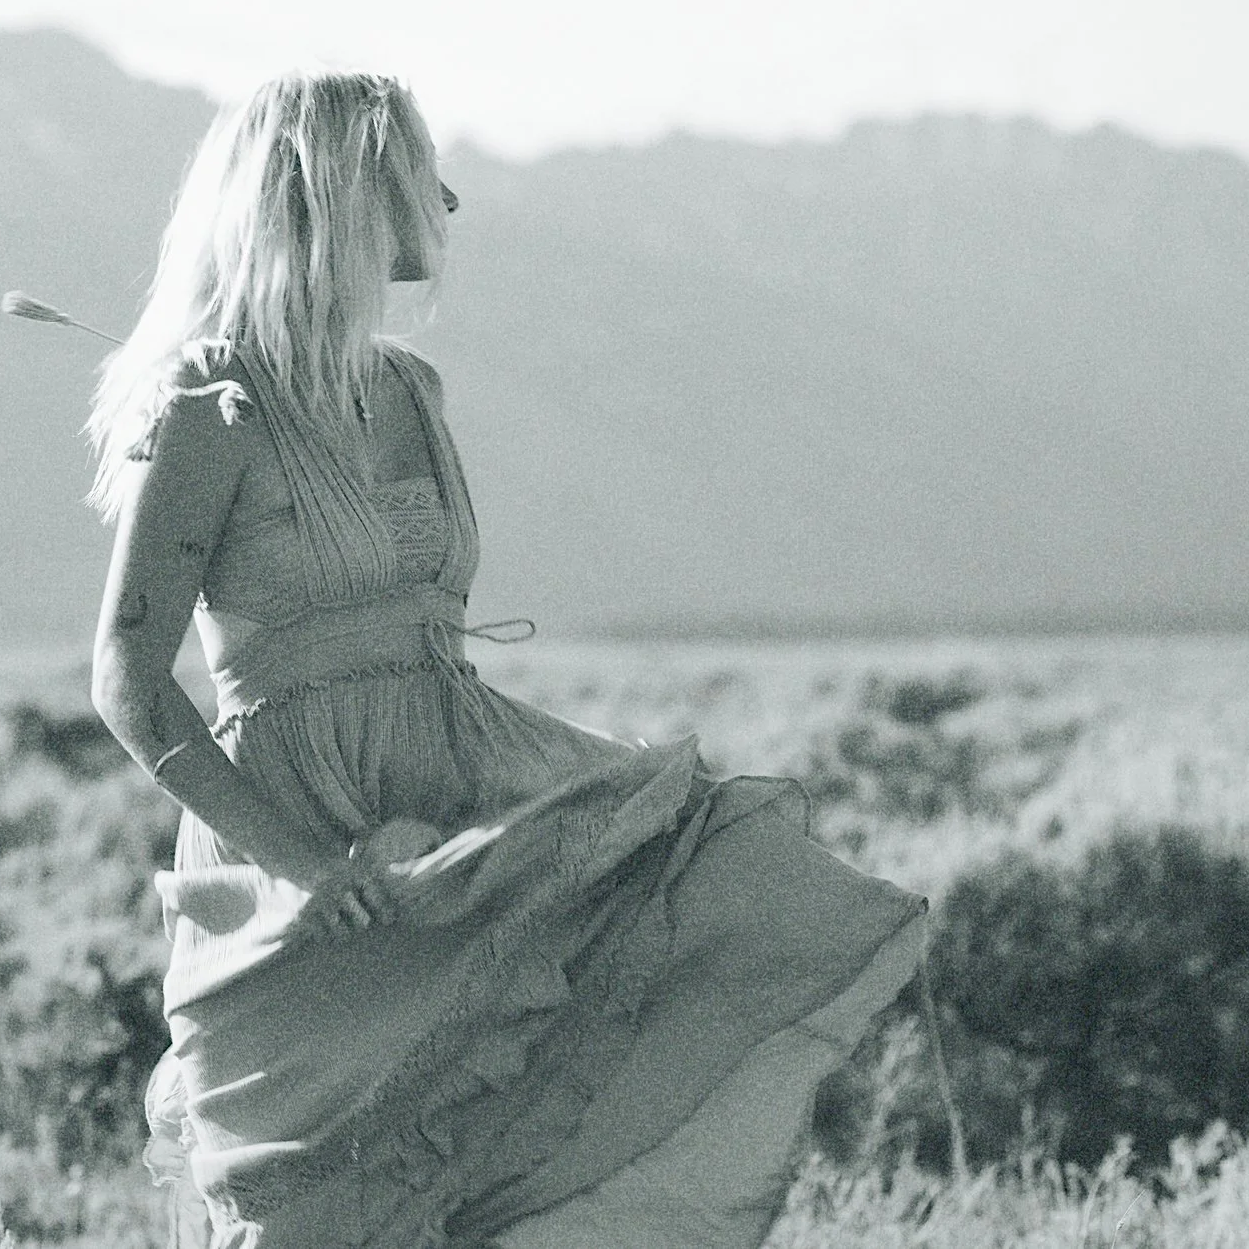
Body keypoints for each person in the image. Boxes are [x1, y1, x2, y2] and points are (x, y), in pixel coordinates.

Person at [84, 70, 927, 1249]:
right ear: (338, 191)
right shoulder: (212, 402)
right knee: (310, 1208)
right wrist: (304, 869)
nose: (448, 202)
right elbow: (126, 670)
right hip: (297, 839)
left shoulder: (411, 390)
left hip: (452, 808)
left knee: (510, 1141)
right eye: (415, 174)